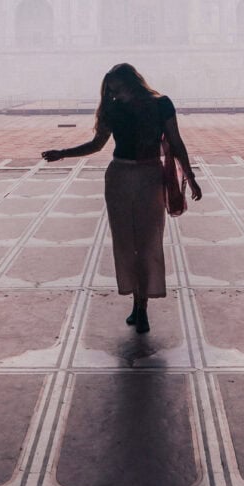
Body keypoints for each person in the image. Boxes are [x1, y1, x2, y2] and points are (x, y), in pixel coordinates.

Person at [42, 62, 202, 334]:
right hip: (123, 177)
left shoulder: (157, 103)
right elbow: (97, 145)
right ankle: (138, 305)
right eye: (112, 91)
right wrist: (63, 153)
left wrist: (190, 175)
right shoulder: (125, 106)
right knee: (128, 242)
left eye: (118, 89)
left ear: (131, 83)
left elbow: (175, 142)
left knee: (147, 240)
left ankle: (142, 306)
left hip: (145, 176)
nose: (115, 95)